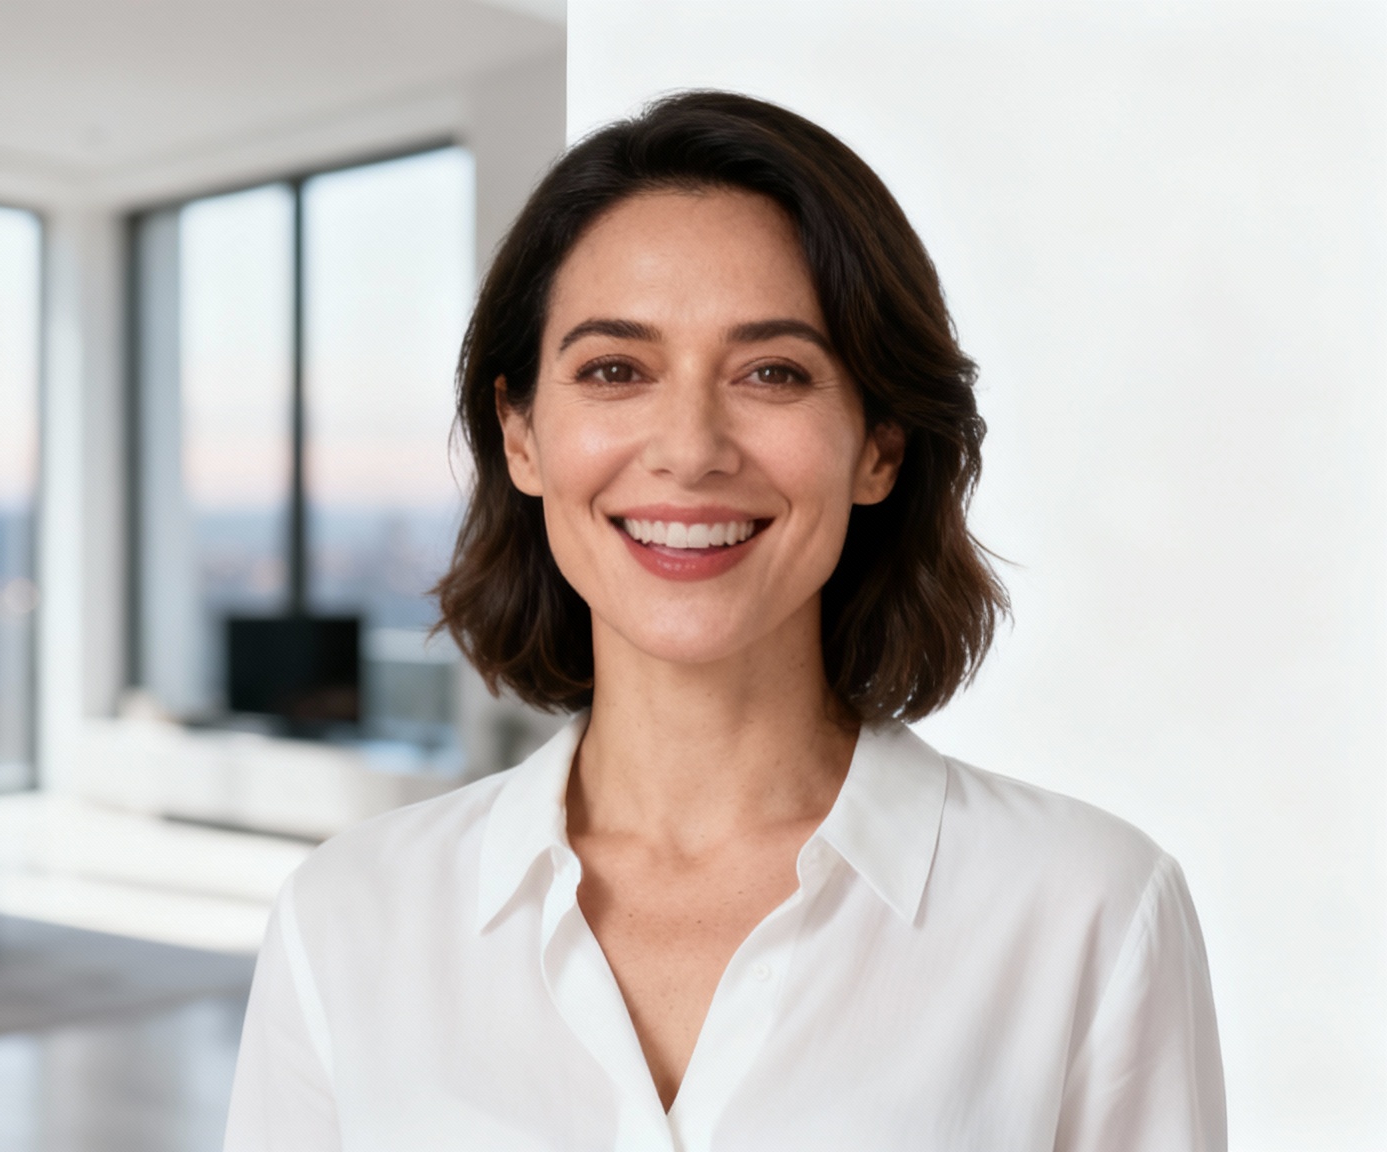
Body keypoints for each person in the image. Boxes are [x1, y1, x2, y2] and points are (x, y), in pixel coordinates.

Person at [223, 91, 1224, 1152]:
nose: (691, 448)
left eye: (771, 373)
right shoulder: (347, 919)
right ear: (520, 437)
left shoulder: (1088, 912)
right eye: (615, 370)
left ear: (879, 446)